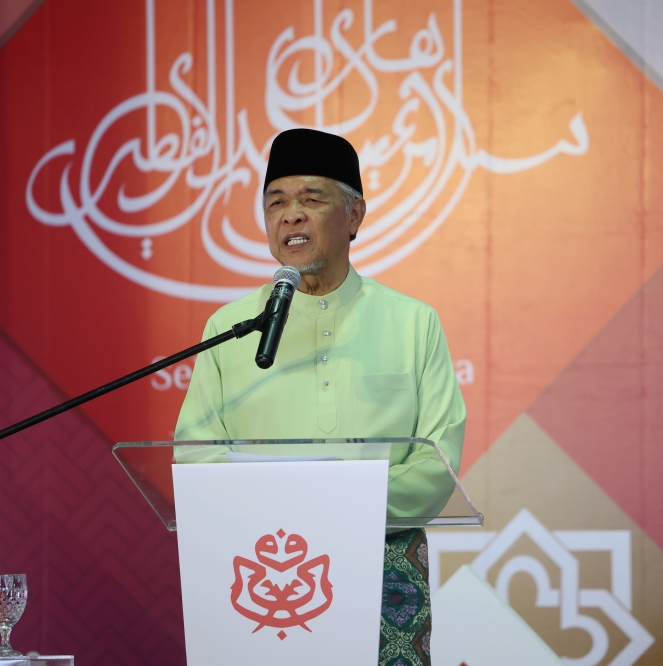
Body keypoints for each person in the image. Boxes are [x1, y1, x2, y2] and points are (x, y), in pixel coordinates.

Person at [174, 128, 466, 666]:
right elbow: (195, 456)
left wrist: (331, 504)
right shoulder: (230, 327)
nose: (291, 215)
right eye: (276, 202)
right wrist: (302, 507)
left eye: (312, 199)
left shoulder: (413, 322)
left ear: (354, 216)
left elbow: (435, 463)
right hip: (260, 570)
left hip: (383, 564)